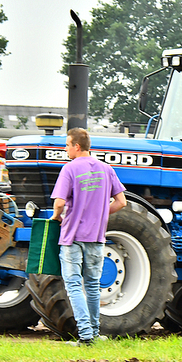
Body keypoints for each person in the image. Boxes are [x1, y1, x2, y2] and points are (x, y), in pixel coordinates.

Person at [51, 128, 127, 346]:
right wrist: (102, 211)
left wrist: (56, 217)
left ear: (76, 146)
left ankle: (85, 335)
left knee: (74, 285)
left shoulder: (69, 169)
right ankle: (94, 331)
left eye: (67, 145)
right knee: (93, 285)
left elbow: (59, 202)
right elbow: (122, 202)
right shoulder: (106, 168)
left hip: (73, 236)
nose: (65, 149)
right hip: (96, 237)